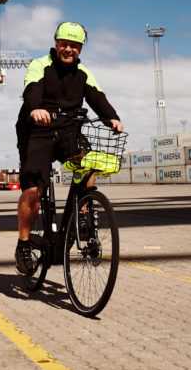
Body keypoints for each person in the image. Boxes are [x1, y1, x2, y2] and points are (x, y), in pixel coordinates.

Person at [14, 22, 123, 275]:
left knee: (89, 162)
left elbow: (97, 97)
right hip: (37, 129)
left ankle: (83, 211)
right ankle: (23, 243)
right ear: (56, 43)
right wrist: (35, 108)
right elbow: (31, 90)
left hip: (68, 129)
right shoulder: (40, 65)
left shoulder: (83, 72)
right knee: (32, 189)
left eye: (74, 45)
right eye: (64, 44)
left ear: (80, 48)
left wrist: (112, 117)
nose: (68, 49)